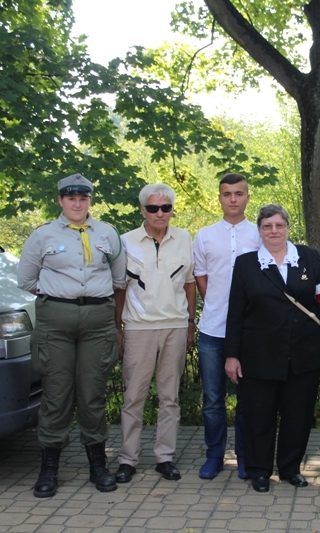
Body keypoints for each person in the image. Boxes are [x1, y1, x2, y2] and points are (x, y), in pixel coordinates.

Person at [17, 173, 126, 497]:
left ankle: (97, 465)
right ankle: (49, 469)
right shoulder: (43, 236)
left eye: (83, 198)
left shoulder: (107, 233)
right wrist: (60, 295)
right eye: (71, 198)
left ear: (90, 200)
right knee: (56, 395)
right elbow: (26, 279)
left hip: (97, 320)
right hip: (56, 322)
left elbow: (119, 277)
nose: (77, 203)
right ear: (60, 201)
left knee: (92, 394)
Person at [224, 204, 320, 492]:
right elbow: (236, 312)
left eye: (279, 225)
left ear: (288, 227)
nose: (274, 231)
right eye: (267, 226)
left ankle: (290, 468)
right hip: (258, 355)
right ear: (260, 231)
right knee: (258, 415)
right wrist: (232, 355)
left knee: (297, 415)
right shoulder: (246, 264)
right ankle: (260, 471)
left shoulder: (309, 258)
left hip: (303, 353)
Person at [113, 183, 196, 484]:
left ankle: (165, 457)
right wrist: (118, 329)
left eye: (166, 207)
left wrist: (190, 322)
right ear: (142, 210)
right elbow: (118, 289)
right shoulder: (125, 242)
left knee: (169, 397)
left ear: (173, 209)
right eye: (153, 208)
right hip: (138, 328)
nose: (160, 213)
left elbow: (189, 284)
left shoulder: (185, 238)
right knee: (133, 397)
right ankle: (127, 459)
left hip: (174, 326)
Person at [192, 173, 261, 480]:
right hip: (212, 330)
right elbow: (202, 278)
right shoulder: (205, 235)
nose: (233, 199)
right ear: (219, 198)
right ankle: (214, 456)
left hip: (250, 333)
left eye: (239, 193)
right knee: (212, 400)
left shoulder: (260, 234)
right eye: (227, 194)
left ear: (248, 197)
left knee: (248, 399)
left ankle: (246, 456)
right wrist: (220, 305)